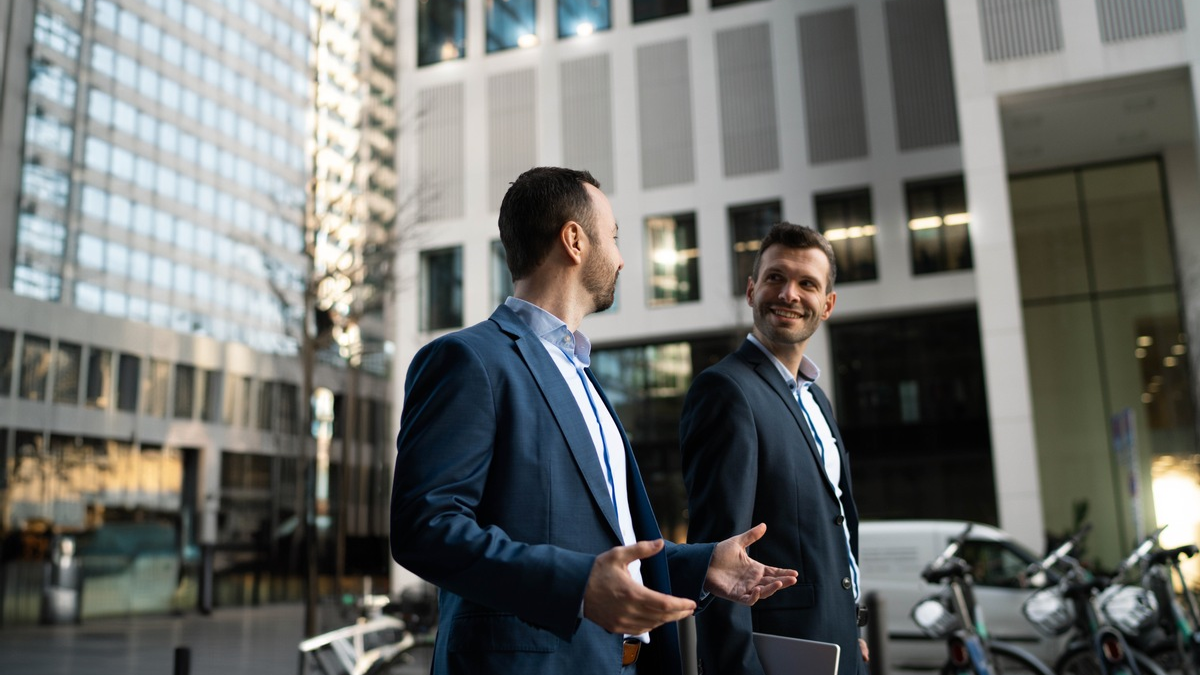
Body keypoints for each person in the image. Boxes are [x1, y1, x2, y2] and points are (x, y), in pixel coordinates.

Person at [390, 167, 798, 675]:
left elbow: (604, 545)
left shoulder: (582, 375)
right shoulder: (468, 360)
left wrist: (701, 563)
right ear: (575, 240)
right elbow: (426, 528)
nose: (622, 259)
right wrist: (577, 586)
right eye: (614, 237)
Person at [680, 222, 869, 675]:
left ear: (828, 304)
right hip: (776, 660)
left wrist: (850, 630)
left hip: (839, 651)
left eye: (807, 284)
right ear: (751, 291)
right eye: (775, 278)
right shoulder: (725, 391)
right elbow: (718, 556)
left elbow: (831, 530)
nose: (789, 294)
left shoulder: (817, 399)